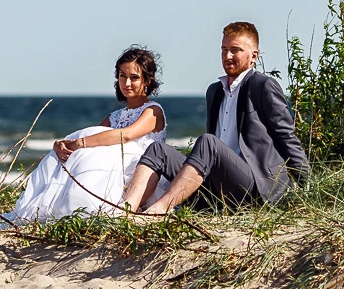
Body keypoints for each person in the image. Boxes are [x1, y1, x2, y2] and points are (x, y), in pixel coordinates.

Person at [121, 21, 310, 215]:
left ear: (253, 56)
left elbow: (285, 136)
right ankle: (124, 211)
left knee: (207, 143)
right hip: (217, 188)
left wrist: (306, 186)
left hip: (253, 188)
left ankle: (159, 211)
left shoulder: (263, 86)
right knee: (158, 150)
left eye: (235, 50)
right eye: (224, 49)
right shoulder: (214, 91)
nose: (228, 56)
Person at [0, 46, 169, 224]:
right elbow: (96, 140)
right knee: (73, 157)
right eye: (122, 76)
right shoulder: (113, 117)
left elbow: (125, 136)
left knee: (90, 155)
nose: (127, 83)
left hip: (140, 174)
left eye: (134, 78)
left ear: (147, 81)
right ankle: (52, 210)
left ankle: (90, 210)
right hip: (112, 169)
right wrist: (63, 145)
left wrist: (80, 143)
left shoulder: (153, 111)